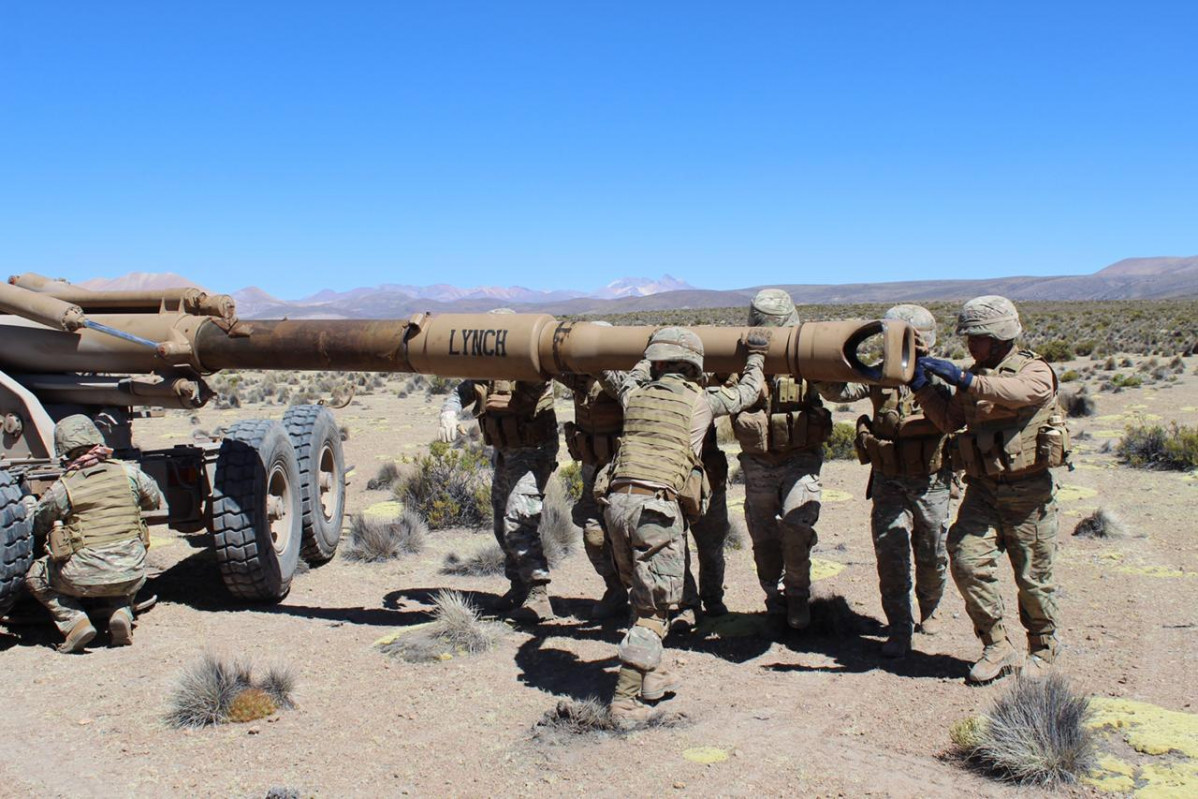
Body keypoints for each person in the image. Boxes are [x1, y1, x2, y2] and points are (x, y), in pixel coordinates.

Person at [601, 326, 768, 724]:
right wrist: (757, 355)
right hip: (655, 512)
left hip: (616, 506)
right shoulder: (701, 399)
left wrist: (644, 351)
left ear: (656, 362)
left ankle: (652, 677)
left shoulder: (634, 393)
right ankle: (623, 701)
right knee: (654, 609)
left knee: (641, 593)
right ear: (694, 365)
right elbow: (748, 392)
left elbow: (624, 375)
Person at [913, 295, 1069, 682]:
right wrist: (923, 387)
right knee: (965, 558)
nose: (969, 345)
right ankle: (996, 643)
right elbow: (950, 421)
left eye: (975, 337)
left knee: (1032, 578)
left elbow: (1014, 392)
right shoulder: (974, 376)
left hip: (1028, 494)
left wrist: (963, 379)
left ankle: (1043, 649)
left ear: (999, 336)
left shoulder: (1034, 371)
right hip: (982, 491)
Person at [820, 304, 953, 658]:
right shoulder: (879, 375)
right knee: (890, 555)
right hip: (888, 479)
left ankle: (931, 608)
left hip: (931, 481)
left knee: (932, 554)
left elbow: (957, 417)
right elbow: (839, 394)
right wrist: (821, 367)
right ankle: (899, 627)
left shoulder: (943, 376)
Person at [439, 310, 559, 623]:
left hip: (533, 452)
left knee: (518, 518)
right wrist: (449, 413)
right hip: (506, 452)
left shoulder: (532, 365)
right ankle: (518, 587)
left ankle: (538, 594)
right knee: (499, 522)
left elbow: (526, 393)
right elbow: (460, 392)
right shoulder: (487, 369)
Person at [730, 289, 832, 630]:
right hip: (758, 463)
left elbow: (838, 388)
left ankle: (798, 597)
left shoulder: (807, 357)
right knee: (763, 539)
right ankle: (773, 596)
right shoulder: (737, 363)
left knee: (796, 526)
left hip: (799, 458)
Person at [25, 414, 162, 653]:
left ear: (64, 449)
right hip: (134, 573)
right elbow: (154, 501)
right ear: (96, 439)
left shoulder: (64, 486)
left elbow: (38, 524)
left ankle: (75, 622)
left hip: (83, 578)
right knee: (125, 560)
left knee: (36, 577)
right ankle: (121, 610)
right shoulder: (128, 472)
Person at [556, 322, 628, 620]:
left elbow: (623, 388)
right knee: (593, 534)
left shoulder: (623, 373)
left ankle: (641, 596)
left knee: (625, 533)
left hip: (620, 467)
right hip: (590, 467)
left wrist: (599, 365)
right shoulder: (577, 376)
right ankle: (615, 589)